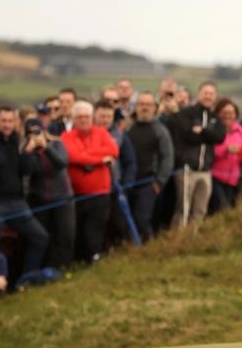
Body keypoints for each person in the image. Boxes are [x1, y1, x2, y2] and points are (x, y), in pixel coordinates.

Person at [0, 107, 49, 274]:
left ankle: (26, 279)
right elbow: (0, 161)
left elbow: (26, 170)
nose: (7, 125)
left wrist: (28, 151)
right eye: (3, 121)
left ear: (16, 122)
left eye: (10, 121)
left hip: (17, 201)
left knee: (40, 237)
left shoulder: (16, 141)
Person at [61, 101, 119, 263]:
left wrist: (86, 155)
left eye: (86, 116)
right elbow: (73, 156)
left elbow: (113, 150)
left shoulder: (101, 133)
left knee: (96, 229)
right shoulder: (66, 137)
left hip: (101, 193)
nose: (84, 120)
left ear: (92, 117)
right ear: (73, 119)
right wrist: (100, 159)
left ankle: (93, 259)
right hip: (77, 194)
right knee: (78, 230)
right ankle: (79, 261)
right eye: (79, 117)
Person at [170, 81, 226, 230]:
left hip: (206, 171)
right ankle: (177, 241)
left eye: (211, 94)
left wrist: (202, 130)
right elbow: (188, 135)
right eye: (205, 93)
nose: (208, 96)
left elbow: (220, 136)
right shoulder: (187, 113)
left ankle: (193, 241)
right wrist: (208, 134)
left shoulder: (215, 117)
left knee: (200, 210)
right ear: (199, 94)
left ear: (215, 97)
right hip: (187, 169)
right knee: (183, 209)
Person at [24, 119, 75, 269]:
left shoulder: (57, 144)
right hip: (40, 201)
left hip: (63, 198)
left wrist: (46, 148)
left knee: (65, 235)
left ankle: (64, 268)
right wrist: (29, 151)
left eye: (38, 131)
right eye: (31, 133)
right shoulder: (27, 151)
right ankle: (45, 272)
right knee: (46, 237)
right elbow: (26, 171)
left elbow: (62, 163)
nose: (36, 135)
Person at [126, 92, 174, 243]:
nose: (145, 108)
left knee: (142, 219)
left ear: (154, 108)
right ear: (135, 107)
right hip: (128, 183)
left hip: (149, 183)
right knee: (128, 220)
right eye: (141, 104)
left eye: (148, 104)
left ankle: (149, 250)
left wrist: (159, 182)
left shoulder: (160, 130)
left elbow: (167, 158)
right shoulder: (128, 129)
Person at [95, 99, 137, 244]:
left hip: (116, 188)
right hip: (95, 191)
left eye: (108, 116)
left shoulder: (120, 136)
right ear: (95, 116)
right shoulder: (88, 134)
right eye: (102, 116)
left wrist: (127, 185)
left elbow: (130, 161)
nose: (105, 120)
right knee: (99, 226)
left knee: (119, 224)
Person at [210, 98, 242, 214]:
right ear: (218, 113)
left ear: (236, 115)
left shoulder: (240, 131)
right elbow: (210, 152)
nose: (228, 116)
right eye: (224, 113)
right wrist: (226, 150)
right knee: (221, 209)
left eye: (231, 113)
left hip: (233, 180)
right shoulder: (214, 129)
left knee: (229, 209)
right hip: (216, 177)